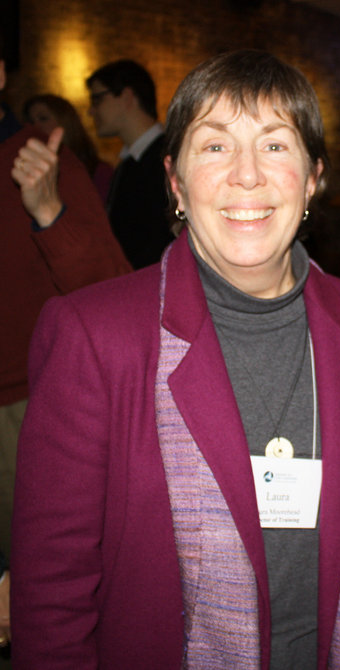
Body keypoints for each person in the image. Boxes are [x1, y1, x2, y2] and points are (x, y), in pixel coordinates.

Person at [12, 49, 340, 670]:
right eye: (215, 146)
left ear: (312, 179)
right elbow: (52, 594)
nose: (246, 175)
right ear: (175, 180)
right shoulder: (93, 335)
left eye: (275, 146)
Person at [0, 32, 130, 597]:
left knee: (38, 592)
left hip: (19, 405)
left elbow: (112, 295)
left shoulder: (39, 154)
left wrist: (48, 208)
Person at [87, 59, 173, 268]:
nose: (91, 111)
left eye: (97, 99)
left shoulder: (168, 159)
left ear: (126, 97)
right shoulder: (130, 161)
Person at [23, 93, 115, 201]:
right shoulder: (30, 172)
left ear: (65, 122)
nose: (36, 127)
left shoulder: (98, 172)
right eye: (31, 122)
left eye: (43, 119)